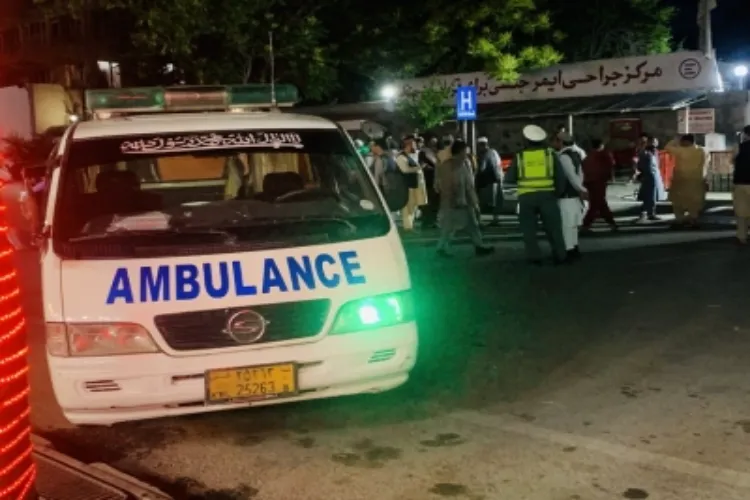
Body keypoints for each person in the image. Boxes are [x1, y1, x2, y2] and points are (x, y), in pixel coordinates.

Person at [505, 125, 568, 265]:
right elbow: (560, 177)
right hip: (548, 196)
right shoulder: (550, 154)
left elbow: (509, 179)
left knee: (529, 230)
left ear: (526, 140)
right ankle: (560, 255)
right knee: (554, 228)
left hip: (526, 198)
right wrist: (557, 193)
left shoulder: (520, 156)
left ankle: (534, 257)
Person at [435, 138, 494, 257]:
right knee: (449, 227)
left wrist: (474, 201)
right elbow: (446, 185)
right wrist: (453, 199)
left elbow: (469, 184)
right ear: (459, 151)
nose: (466, 153)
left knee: (472, 224)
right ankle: (441, 247)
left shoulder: (465, 163)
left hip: (465, 201)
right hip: (453, 202)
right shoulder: (448, 166)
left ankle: (479, 245)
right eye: (464, 151)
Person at [665, 134, 710, 228]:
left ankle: (680, 219)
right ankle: (693, 219)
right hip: (697, 180)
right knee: (695, 202)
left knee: (678, 202)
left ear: (686, 141)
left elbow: (667, 147)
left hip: (681, 180)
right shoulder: (703, 150)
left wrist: (675, 140)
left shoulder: (681, 150)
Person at [555, 132, 589, 259]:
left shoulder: (563, 157)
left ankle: (569, 250)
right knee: (574, 224)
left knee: (567, 225)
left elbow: (571, 176)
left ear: (561, 142)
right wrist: (581, 188)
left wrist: (581, 189)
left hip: (566, 196)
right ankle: (574, 248)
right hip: (574, 196)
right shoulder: (576, 154)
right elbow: (580, 174)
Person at [581, 139, 617, 232]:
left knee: (597, 203)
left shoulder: (588, 156)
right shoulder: (604, 155)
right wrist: (611, 177)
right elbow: (611, 165)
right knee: (598, 203)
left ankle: (610, 223)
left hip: (589, 182)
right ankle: (587, 224)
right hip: (599, 181)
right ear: (601, 145)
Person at [395, 135, 427, 231]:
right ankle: (408, 228)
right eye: (413, 144)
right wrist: (419, 168)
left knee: (412, 207)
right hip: (407, 186)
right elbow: (405, 170)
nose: (415, 146)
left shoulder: (410, 156)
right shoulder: (401, 157)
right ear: (408, 145)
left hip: (413, 185)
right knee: (407, 208)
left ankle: (410, 227)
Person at [634, 136, 665, 222]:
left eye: (655, 142)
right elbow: (639, 163)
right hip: (649, 176)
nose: (654, 144)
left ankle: (651, 213)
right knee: (649, 196)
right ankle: (644, 213)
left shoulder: (655, 152)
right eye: (652, 142)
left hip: (655, 176)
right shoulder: (644, 152)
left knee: (653, 196)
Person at [475, 136, 503, 226]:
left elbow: (482, 168)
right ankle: (496, 219)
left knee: (485, 201)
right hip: (498, 178)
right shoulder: (494, 152)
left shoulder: (486, 154)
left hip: (489, 181)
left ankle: (480, 220)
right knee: (496, 200)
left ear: (480, 145)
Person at [733, 125, 750, 245]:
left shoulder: (739, 147)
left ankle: (742, 237)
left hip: (740, 182)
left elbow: (732, 160)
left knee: (741, 212)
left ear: (745, 134)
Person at [419, 136, 440, 228]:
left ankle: (432, 220)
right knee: (428, 202)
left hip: (435, 179)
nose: (434, 144)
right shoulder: (424, 152)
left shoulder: (436, 152)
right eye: (432, 142)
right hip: (428, 180)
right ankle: (427, 221)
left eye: (435, 142)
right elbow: (424, 165)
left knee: (435, 202)